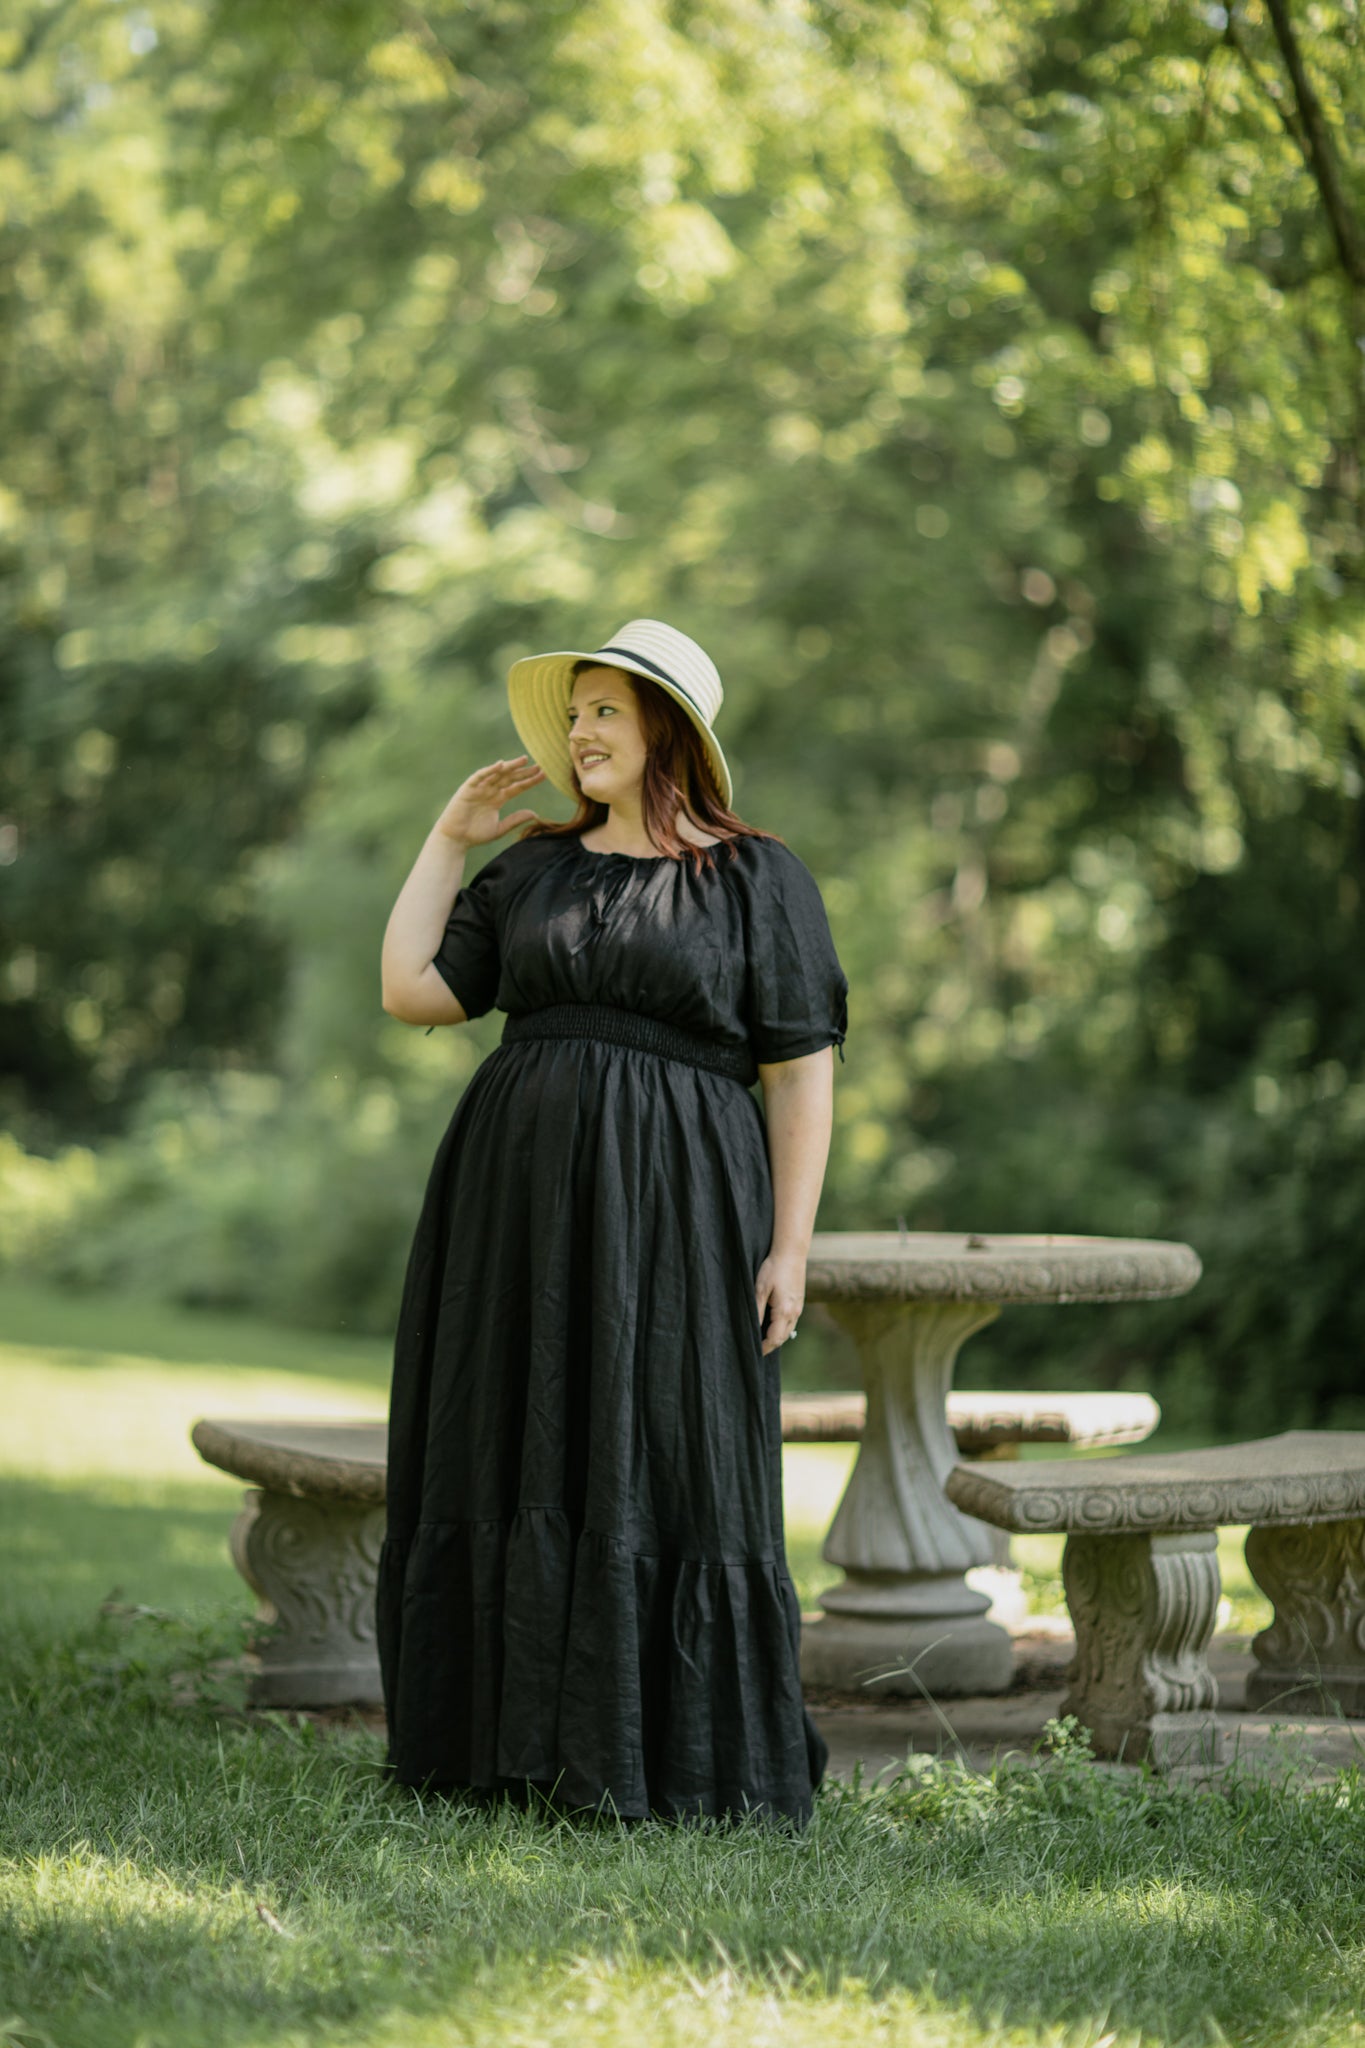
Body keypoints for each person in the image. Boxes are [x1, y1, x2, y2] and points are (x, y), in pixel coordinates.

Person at [376, 618, 849, 1825]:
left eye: (604, 711)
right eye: (574, 711)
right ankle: (501, 1748)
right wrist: (448, 838)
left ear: (664, 730)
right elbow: (412, 988)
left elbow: (799, 1070)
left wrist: (791, 1245)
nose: (579, 732)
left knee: (671, 1444)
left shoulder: (758, 878)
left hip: (684, 1203)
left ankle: (674, 1756)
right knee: (515, 1431)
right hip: (516, 1204)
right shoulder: (533, 866)